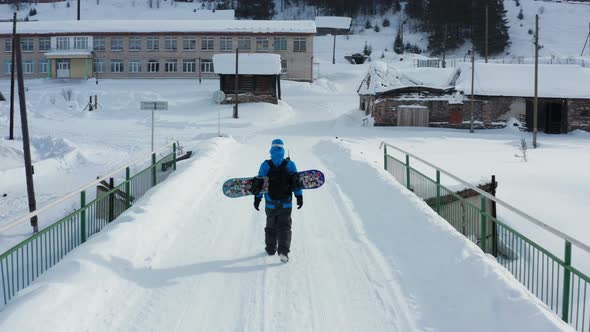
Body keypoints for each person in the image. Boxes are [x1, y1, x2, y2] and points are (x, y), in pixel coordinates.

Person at [253, 139, 303, 263]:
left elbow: (260, 184)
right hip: (286, 203)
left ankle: (270, 249)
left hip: (270, 203)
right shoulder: (290, 165)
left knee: (271, 226)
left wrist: (257, 199)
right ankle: (283, 251)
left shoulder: (265, 165)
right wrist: (299, 197)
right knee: (285, 227)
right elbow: (296, 183)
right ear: (282, 149)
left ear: (271, 149)